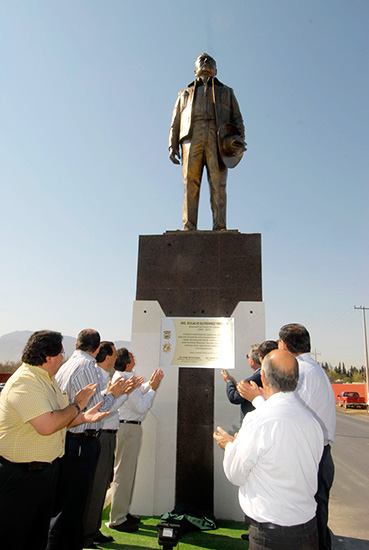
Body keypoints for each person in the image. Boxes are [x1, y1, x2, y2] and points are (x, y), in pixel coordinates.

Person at [0, 330, 108, 550]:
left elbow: (59, 419)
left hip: (43, 473)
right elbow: (48, 425)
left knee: (36, 539)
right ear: (47, 357)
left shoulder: (46, 380)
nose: (63, 357)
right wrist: (77, 405)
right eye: (60, 352)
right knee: (14, 538)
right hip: (20, 476)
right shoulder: (26, 382)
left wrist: (83, 417)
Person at [238, 324, 336, 550]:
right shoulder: (314, 369)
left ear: (282, 345)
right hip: (317, 454)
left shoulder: (299, 372)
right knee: (316, 520)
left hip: (310, 456)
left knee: (308, 525)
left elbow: (284, 414)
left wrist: (257, 399)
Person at [214, 350, 324, 550]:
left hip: (271, 536)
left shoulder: (258, 421)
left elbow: (235, 474)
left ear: (262, 377)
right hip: (308, 531)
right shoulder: (312, 422)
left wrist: (229, 446)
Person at [48, 329, 130, 550]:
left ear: (77, 344)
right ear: (96, 349)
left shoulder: (66, 366)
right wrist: (113, 394)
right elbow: (96, 408)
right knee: (72, 506)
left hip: (70, 438)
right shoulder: (87, 368)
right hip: (80, 440)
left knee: (65, 502)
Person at [169, 53, 245, 231]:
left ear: (216, 70)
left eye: (209, 60)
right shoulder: (183, 94)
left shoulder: (226, 91)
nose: (205, 60)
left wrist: (239, 138)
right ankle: (189, 225)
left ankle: (220, 225)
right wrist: (172, 144)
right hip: (191, 137)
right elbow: (176, 121)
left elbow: (237, 118)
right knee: (190, 182)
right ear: (195, 70)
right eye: (201, 60)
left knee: (218, 183)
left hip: (217, 137)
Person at [83, 342, 141, 549]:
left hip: (109, 432)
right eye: (114, 354)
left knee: (105, 482)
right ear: (106, 356)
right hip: (102, 433)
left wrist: (121, 393)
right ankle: (90, 532)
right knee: (103, 482)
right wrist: (123, 393)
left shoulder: (105, 377)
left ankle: (94, 529)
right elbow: (104, 408)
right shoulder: (99, 377)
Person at [108, 348, 164, 532]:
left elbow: (139, 392)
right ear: (127, 363)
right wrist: (153, 389)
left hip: (130, 428)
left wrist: (150, 384)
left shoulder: (125, 376)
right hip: (127, 428)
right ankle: (117, 518)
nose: (134, 358)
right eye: (132, 357)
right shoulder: (124, 379)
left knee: (127, 473)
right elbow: (141, 406)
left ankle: (123, 512)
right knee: (123, 474)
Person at [221, 344, 262, 424]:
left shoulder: (254, 379)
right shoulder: (264, 375)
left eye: (248, 357)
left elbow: (234, 397)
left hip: (252, 423)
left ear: (252, 360)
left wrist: (228, 381)